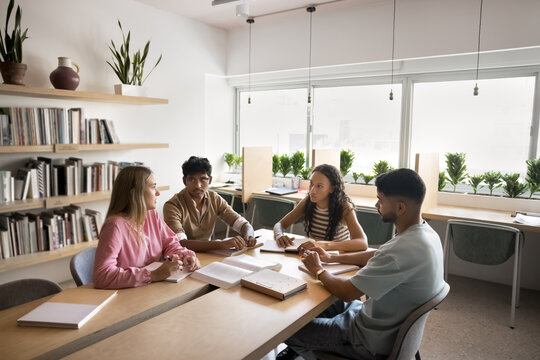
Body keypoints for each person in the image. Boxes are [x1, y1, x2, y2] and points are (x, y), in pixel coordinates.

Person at [277, 168, 445, 360]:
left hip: (365, 339)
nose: (376, 205)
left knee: (284, 328)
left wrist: (318, 270)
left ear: (400, 207)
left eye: (381, 200)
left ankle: (321, 354)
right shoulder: (424, 234)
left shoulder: (400, 251)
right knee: (314, 303)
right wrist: (332, 258)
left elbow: (347, 292)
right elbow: (379, 253)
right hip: (378, 321)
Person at [93, 166, 200, 290]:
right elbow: (102, 276)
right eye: (153, 187)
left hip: (152, 289)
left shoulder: (150, 214)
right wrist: (154, 275)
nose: (158, 192)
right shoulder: (114, 226)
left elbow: (170, 243)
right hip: (127, 295)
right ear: (134, 194)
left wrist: (184, 256)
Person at [163, 156, 257, 252]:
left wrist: (249, 236)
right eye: (192, 179)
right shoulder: (172, 205)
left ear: (210, 180)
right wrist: (221, 244)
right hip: (182, 257)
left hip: (209, 254)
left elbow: (242, 224)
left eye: (203, 179)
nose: (198, 185)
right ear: (184, 181)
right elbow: (181, 243)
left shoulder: (214, 198)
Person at [273, 164, 368, 252]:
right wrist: (279, 235)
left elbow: (362, 242)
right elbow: (280, 224)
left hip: (338, 257)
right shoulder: (308, 201)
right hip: (316, 254)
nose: (312, 191)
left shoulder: (344, 207)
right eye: (311, 184)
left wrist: (325, 245)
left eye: (319, 186)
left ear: (332, 188)